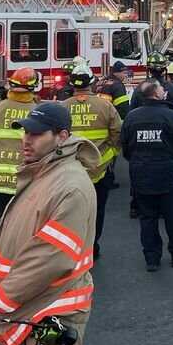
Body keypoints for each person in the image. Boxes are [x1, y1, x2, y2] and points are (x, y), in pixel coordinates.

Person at [0, 102, 99, 345]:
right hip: (30, 306)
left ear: (62, 137)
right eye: (26, 132)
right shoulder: (43, 172)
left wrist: (0, 300)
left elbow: (51, 257)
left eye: (36, 134)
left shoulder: (69, 187)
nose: (26, 140)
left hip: (47, 310)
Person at [121, 80, 173, 271]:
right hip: (169, 176)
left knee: (147, 218)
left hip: (142, 176)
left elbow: (126, 149)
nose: (165, 91)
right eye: (161, 89)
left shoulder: (131, 118)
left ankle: (152, 259)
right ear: (155, 94)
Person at [63, 64, 122, 260]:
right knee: (97, 210)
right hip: (101, 168)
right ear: (92, 83)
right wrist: (113, 151)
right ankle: (92, 247)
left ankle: (74, 247)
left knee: (72, 211)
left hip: (71, 169)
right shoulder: (105, 106)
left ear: (72, 84)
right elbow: (117, 132)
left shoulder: (63, 107)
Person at [0, 67, 40, 222]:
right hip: (25, 171)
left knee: (2, 213)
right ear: (33, 87)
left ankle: (1, 241)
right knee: (23, 214)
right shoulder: (36, 111)